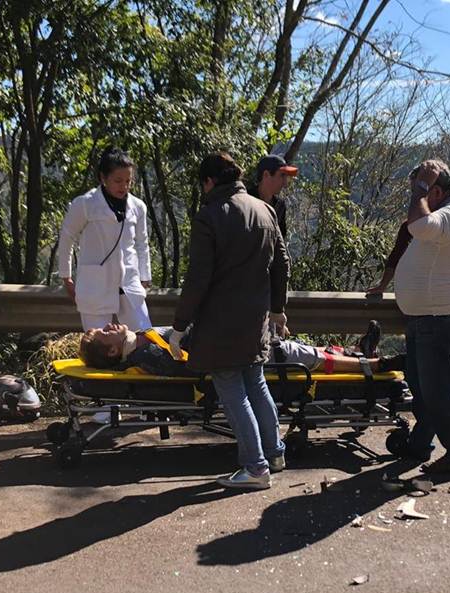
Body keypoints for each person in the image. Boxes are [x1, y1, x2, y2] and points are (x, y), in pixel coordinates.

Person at [167, 151, 290, 491]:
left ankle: (255, 467)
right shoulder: (264, 209)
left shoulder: (209, 216)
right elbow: (281, 264)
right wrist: (277, 307)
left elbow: (198, 279)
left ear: (208, 182)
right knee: (256, 383)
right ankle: (275, 453)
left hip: (220, 322)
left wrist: (179, 327)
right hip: (256, 318)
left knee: (232, 390)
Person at [391, 159, 450, 476]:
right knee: (424, 389)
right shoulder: (448, 212)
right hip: (425, 318)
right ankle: (420, 445)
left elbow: (417, 226)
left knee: (439, 393)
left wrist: (420, 190)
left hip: (437, 320)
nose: (415, 198)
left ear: (437, 191)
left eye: (422, 192)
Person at [366, 181, 450, 410]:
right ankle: (430, 418)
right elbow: (395, 258)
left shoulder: (449, 222)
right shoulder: (410, 227)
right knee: (422, 366)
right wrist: (383, 285)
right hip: (420, 308)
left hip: (449, 303)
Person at [58, 146, 153, 331]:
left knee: (145, 338)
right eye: (118, 181)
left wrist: (144, 276)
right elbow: (67, 236)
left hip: (129, 284)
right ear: (103, 178)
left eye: (128, 181)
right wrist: (66, 276)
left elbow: (142, 243)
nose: (124, 186)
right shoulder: (85, 204)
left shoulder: (138, 207)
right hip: (96, 286)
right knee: (99, 345)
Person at [78, 323, 405, 375]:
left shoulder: (140, 345)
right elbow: (184, 365)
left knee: (298, 349)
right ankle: (373, 365)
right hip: (234, 355)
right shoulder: (144, 354)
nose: (109, 326)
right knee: (300, 356)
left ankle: (356, 352)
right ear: (111, 352)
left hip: (230, 344)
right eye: (105, 334)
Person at [248, 154, 297, 241]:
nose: (285, 183)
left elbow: (280, 240)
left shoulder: (280, 206)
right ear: (266, 175)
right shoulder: (245, 201)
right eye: (282, 176)